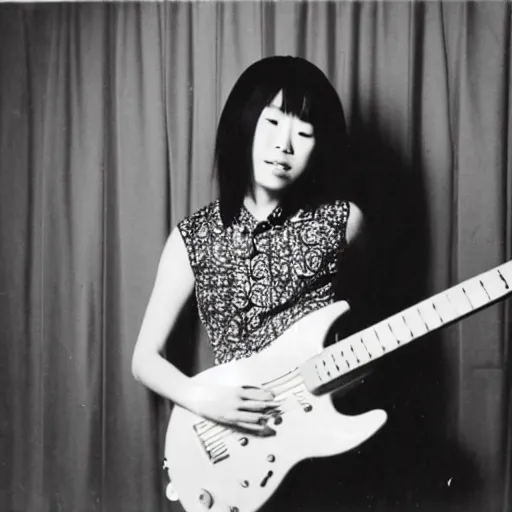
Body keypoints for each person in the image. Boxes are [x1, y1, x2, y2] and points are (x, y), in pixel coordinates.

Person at [131, 55, 367, 508]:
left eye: (304, 132)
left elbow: (368, 320)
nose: (284, 145)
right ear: (243, 125)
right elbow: (144, 358)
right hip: (230, 450)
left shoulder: (345, 221)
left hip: (321, 449)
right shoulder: (193, 236)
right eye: (272, 122)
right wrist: (200, 398)